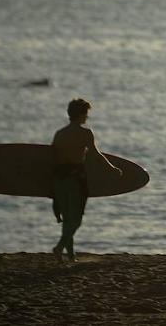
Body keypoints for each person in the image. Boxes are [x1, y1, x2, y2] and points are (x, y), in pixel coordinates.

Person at [51, 97, 122, 263]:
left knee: (67, 218)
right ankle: (59, 247)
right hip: (76, 179)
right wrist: (112, 169)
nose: (87, 118)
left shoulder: (60, 133)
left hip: (59, 178)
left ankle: (70, 256)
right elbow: (96, 155)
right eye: (86, 114)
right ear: (81, 114)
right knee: (76, 219)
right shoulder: (85, 133)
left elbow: (52, 158)